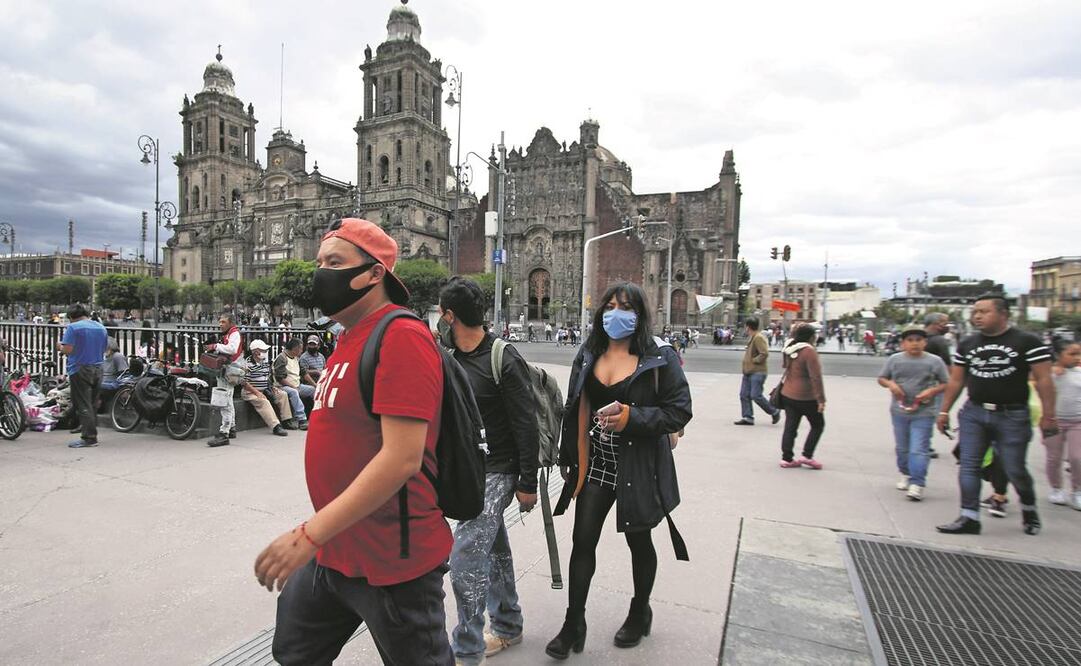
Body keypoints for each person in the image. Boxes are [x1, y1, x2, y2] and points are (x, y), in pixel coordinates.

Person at [255, 218, 453, 665]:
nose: (321, 272)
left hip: (391, 562)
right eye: (319, 261)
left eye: (335, 262)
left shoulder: (400, 335)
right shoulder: (347, 337)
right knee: (295, 652)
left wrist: (307, 535)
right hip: (335, 549)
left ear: (375, 273)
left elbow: (401, 458)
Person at [548, 282, 692, 660]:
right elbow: (574, 406)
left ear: (640, 314)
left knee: (639, 542)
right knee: (582, 543)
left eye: (625, 307)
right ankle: (573, 623)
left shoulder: (659, 355)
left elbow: (678, 411)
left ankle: (639, 609)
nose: (616, 313)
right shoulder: (589, 351)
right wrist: (568, 456)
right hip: (597, 464)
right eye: (609, 305)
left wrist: (631, 417)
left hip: (639, 466)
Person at [437, 276, 539, 665]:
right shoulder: (448, 356)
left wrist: (527, 482)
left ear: (449, 315)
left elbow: (525, 424)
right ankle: (509, 623)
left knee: (464, 557)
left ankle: (467, 647)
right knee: (492, 548)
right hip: (467, 469)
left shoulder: (502, 357)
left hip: (499, 468)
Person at [936, 294, 1055, 536]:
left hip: (1012, 414)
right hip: (975, 412)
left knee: (1014, 468)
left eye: (984, 311)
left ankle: (1029, 509)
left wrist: (1049, 415)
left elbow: (1044, 380)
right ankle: (969, 517)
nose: (977, 316)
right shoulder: (968, 343)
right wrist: (944, 410)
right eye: (975, 311)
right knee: (969, 466)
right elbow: (957, 380)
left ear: (1003, 314)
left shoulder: (1027, 342)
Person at [877, 325, 949, 501]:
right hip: (899, 411)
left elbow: (946, 383)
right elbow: (882, 378)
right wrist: (892, 385)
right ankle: (905, 473)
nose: (914, 344)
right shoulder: (895, 360)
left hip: (924, 411)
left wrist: (931, 392)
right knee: (902, 448)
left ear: (925, 343)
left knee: (919, 448)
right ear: (903, 344)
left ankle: (917, 482)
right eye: (910, 340)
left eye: (919, 340)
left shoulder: (934, 361)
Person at [778, 324, 827, 469]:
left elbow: (785, 366)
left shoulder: (789, 348)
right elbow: (816, 377)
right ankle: (807, 455)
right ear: (811, 337)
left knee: (790, 427)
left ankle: (787, 459)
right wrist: (821, 399)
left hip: (788, 394)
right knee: (818, 425)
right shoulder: (809, 351)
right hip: (806, 396)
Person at [60, 304, 108, 448]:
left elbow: (68, 349)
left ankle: (89, 437)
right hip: (98, 367)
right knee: (92, 402)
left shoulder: (73, 328)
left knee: (82, 403)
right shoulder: (101, 327)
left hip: (80, 368)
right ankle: (86, 427)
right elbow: (104, 348)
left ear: (71, 317)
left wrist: (59, 347)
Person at [1044, 339, 1081, 510]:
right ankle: (1056, 489)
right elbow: (1033, 381)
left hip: (1077, 421)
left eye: (1079, 354)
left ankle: (1077, 491)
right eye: (1072, 354)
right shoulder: (1049, 373)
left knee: (1077, 458)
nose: (1077, 357)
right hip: (1053, 421)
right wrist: (1052, 369)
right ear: (1058, 355)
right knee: (1054, 458)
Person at [204, 314, 244, 447]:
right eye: (219, 322)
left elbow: (232, 349)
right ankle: (231, 427)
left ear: (231, 323)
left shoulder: (234, 334)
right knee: (228, 399)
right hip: (228, 369)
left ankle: (224, 433)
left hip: (229, 369)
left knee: (224, 400)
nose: (220, 324)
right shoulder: (229, 333)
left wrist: (215, 346)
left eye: (223, 322)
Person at [734, 319, 781, 426]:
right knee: (744, 394)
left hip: (757, 372)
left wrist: (753, 361)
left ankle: (774, 411)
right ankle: (748, 417)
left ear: (748, 327)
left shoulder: (759, 337)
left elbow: (764, 353)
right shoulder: (754, 337)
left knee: (756, 395)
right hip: (748, 371)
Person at [242, 339, 291, 436]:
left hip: (264, 389)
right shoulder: (247, 364)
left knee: (282, 394)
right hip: (250, 391)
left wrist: (271, 387)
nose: (265, 352)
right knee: (263, 402)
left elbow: (267, 377)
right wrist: (257, 392)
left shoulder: (264, 362)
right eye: (263, 350)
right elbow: (244, 382)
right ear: (255, 351)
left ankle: (286, 419)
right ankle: (275, 426)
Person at [923, 312, 954, 459]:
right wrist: (951, 384)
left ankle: (913, 443)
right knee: (930, 415)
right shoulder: (940, 341)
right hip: (935, 386)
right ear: (935, 324)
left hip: (917, 383)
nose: (946, 326)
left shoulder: (918, 338)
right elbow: (947, 365)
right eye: (944, 322)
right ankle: (924, 446)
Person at [273, 338, 309, 430]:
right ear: (294, 348)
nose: (302, 351)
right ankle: (302, 419)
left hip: (297, 385)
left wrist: (315, 385)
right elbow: (280, 378)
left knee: (313, 391)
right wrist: (293, 386)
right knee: (293, 392)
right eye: (300, 348)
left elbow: (304, 372)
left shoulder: (296, 358)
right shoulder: (282, 358)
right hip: (283, 386)